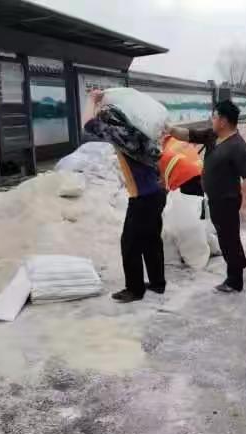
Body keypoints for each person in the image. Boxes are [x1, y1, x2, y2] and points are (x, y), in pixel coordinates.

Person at [83, 90, 167, 303]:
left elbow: (88, 124)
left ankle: (134, 289)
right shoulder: (142, 133)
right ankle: (157, 283)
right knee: (151, 240)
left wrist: (93, 100)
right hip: (156, 193)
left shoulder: (123, 136)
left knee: (129, 243)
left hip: (143, 197)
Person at [166, 100, 246, 293]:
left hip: (228, 201)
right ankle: (239, 263)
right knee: (226, 237)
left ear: (223, 120)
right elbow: (189, 135)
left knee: (228, 239)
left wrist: (245, 205)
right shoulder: (212, 136)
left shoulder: (238, 147)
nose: (211, 120)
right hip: (214, 199)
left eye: (214, 116)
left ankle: (234, 280)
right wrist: (169, 129)